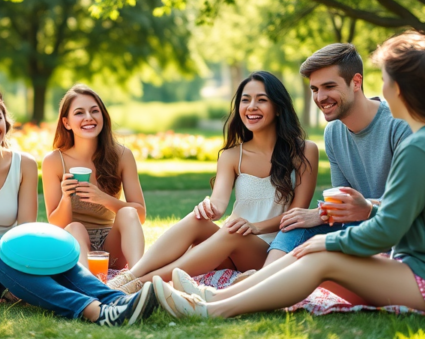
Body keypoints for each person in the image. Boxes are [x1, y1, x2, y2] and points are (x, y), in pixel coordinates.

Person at [153, 31, 425, 319]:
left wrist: (327, 240)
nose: (385, 88)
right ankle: (214, 297)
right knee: (315, 251)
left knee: (319, 253)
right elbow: (404, 212)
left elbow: (388, 230)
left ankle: (211, 310)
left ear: (403, 89)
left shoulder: (421, 146)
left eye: (387, 80)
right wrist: (325, 230)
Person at [0, 83, 157, 326]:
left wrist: (12, 257)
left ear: (6, 121)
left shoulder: (24, 165)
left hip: (5, 268)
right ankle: (94, 311)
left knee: (54, 254)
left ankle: (122, 301)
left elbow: (25, 228)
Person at [109, 72, 318, 294]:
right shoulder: (231, 156)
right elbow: (218, 204)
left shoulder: (304, 151)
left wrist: (255, 227)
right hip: (232, 243)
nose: (252, 106)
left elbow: (298, 214)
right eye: (245, 100)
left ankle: (142, 283)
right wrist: (207, 208)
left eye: (262, 100)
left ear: (278, 108)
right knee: (197, 219)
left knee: (233, 229)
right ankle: (130, 276)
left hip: (272, 250)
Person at [266, 43, 411, 266]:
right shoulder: (333, 132)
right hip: (356, 225)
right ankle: (262, 278)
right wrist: (321, 214)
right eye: (314, 89)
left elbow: (409, 204)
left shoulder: (398, 125)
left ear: (356, 82)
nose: (320, 97)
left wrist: (339, 211)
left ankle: (267, 284)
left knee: (345, 226)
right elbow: (340, 201)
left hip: (398, 233)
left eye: (329, 86)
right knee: (297, 222)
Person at [42, 85, 146, 270]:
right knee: (75, 227)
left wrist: (103, 199)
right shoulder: (54, 161)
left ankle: (138, 277)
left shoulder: (122, 155)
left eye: (94, 111)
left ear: (103, 117)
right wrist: (66, 198)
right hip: (75, 245)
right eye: (79, 113)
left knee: (128, 212)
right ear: (66, 123)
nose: (88, 117)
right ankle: (86, 282)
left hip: (111, 248)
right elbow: (57, 224)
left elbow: (140, 215)